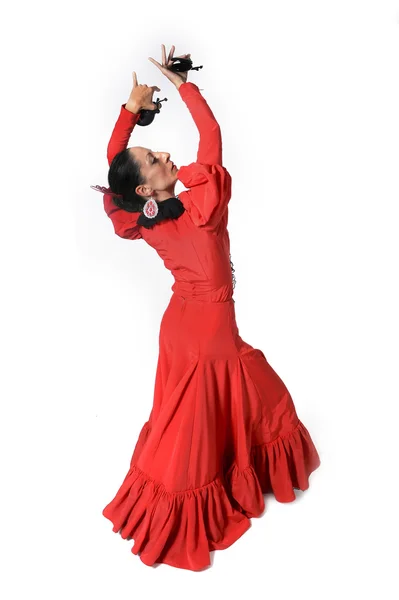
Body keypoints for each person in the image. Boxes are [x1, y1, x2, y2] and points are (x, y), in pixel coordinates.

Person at [94, 44, 321, 571]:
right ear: (148, 184)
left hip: (183, 329)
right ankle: (177, 512)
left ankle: (222, 469)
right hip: (206, 337)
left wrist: (130, 111)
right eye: (156, 159)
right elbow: (211, 139)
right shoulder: (200, 208)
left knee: (205, 412)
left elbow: (116, 167)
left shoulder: (141, 215)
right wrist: (183, 85)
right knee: (201, 427)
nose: (167, 155)